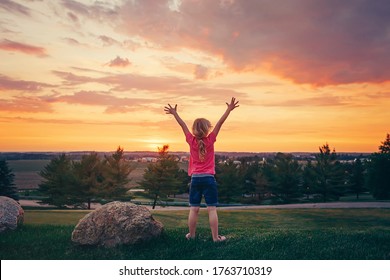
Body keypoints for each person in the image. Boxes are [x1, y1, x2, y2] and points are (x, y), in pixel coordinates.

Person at [164, 97, 239, 242]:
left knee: (194, 209)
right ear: (207, 130)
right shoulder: (211, 139)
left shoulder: (190, 140)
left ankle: (191, 236)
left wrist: (174, 113)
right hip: (209, 179)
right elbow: (220, 123)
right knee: (212, 209)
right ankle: (215, 238)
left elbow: (182, 125)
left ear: (194, 130)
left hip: (195, 179)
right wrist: (228, 109)